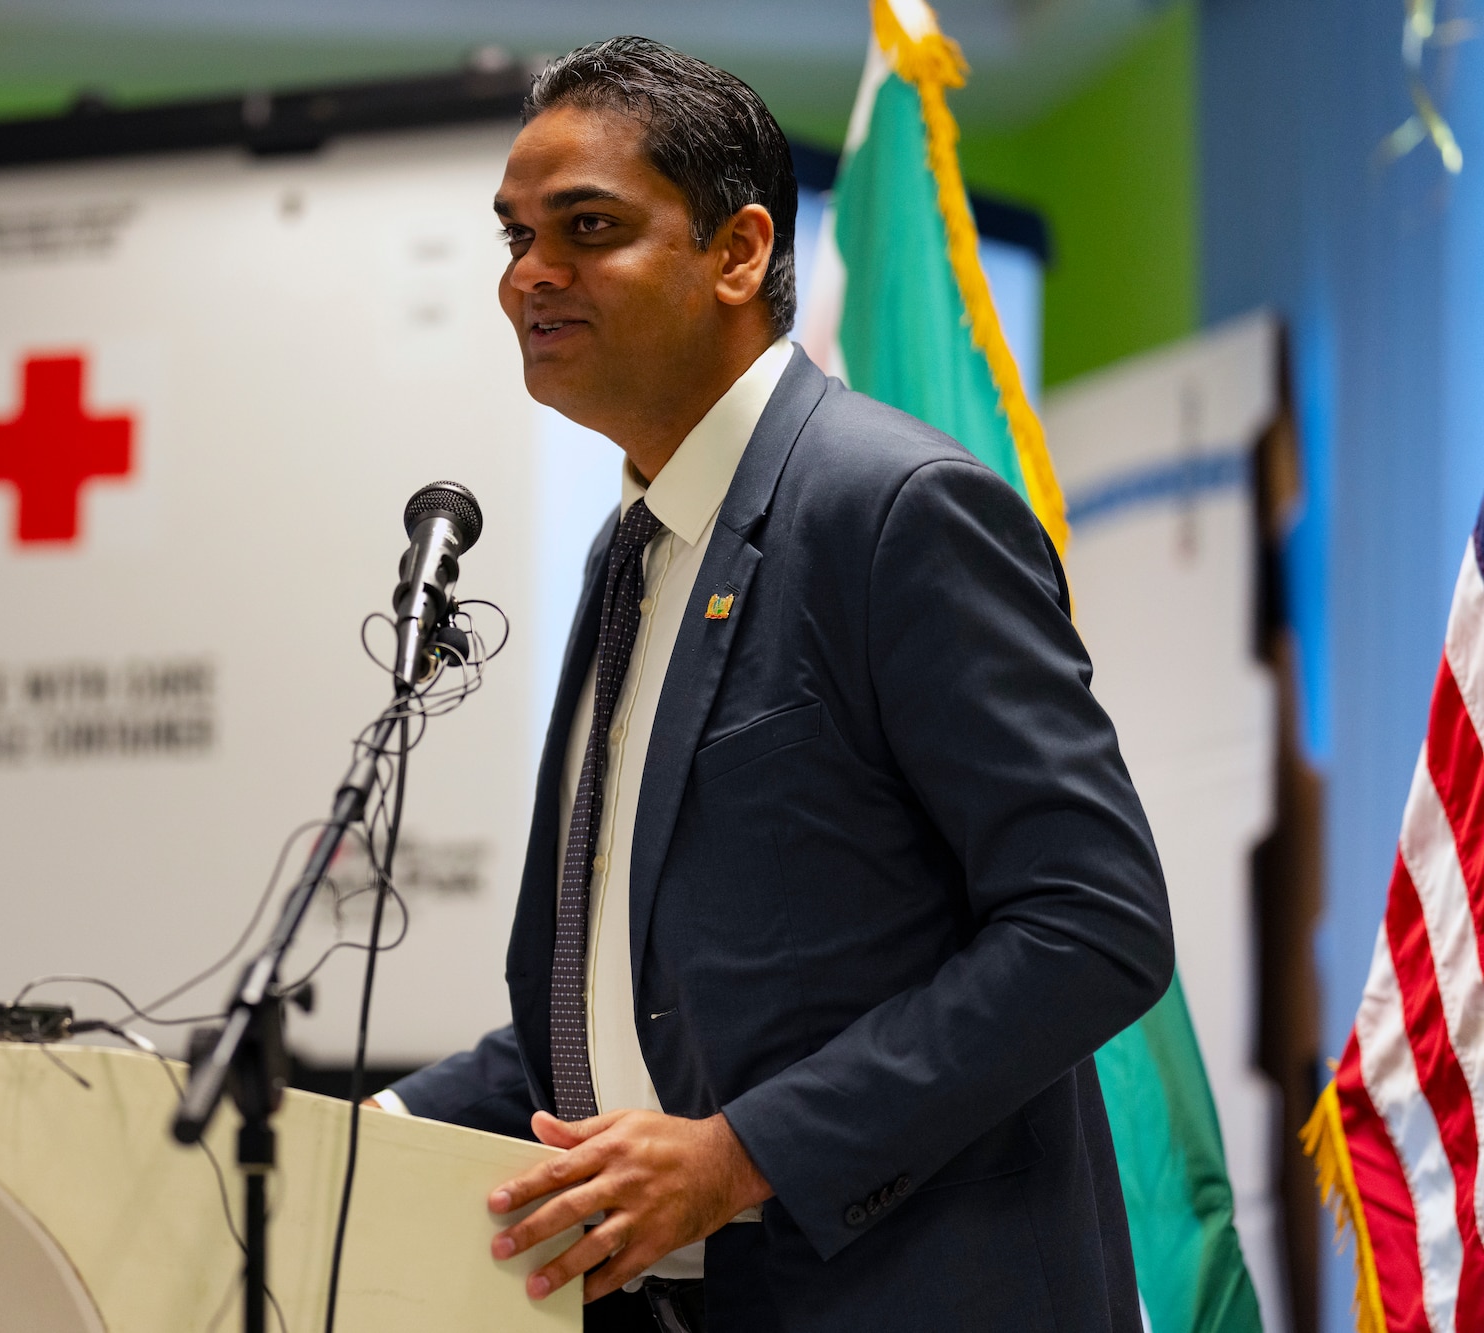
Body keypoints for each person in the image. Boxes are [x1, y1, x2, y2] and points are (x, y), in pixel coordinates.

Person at [373, 36, 1173, 1333]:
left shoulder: (892, 508)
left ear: (739, 252)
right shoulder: (633, 546)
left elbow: (1092, 924)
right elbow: (645, 1006)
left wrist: (738, 1153)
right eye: (514, 234)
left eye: (587, 227)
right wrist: (370, 1128)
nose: (529, 276)